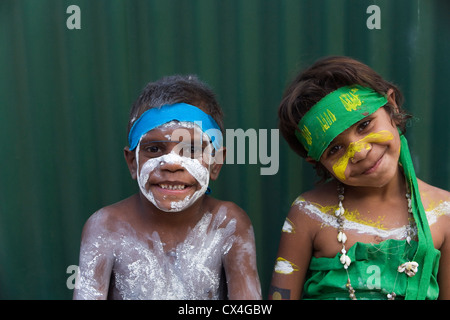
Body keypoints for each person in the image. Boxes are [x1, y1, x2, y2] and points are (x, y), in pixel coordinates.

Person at [270, 56, 450, 300]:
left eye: (365, 124)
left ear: (391, 106)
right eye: (334, 149)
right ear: (318, 162)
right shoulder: (308, 215)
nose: (360, 152)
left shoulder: (443, 213)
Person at [73, 75, 261, 300]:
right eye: (154, 149)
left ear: (215, 164)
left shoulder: (228, 224)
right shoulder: (105, 227)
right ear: (133, 162)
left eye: (191, 150)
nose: (171, 163)